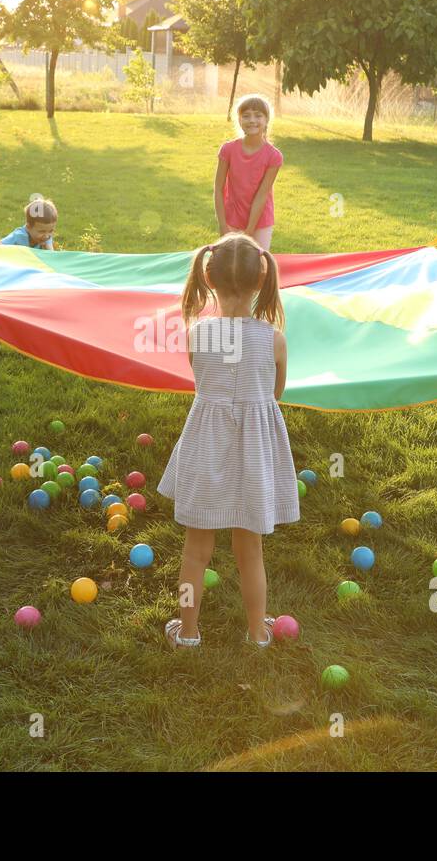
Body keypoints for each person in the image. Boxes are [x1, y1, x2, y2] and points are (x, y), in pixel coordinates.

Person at [158, 233, 300, 648]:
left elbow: (203, 380)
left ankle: (187, 632)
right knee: (249, 550)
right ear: (261, 280)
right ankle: (258, 633)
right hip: (253, 454)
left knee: (195, 551)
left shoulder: (197, 333)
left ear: (208, 276)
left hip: (206, 448)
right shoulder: (274, 337)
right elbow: (276, 393)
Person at [214, 95, 283, 251]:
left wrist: (250, 230)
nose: (252, 120)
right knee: (230, 263)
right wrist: (223, 225)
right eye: (246, 116)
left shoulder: (274, 156)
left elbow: (262, 194)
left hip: (260, 221)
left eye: (258, 115)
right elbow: (218, 188)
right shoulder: (228, 150)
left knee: (258, 265)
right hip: (232, 217)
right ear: (239, 120)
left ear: (266, 120)